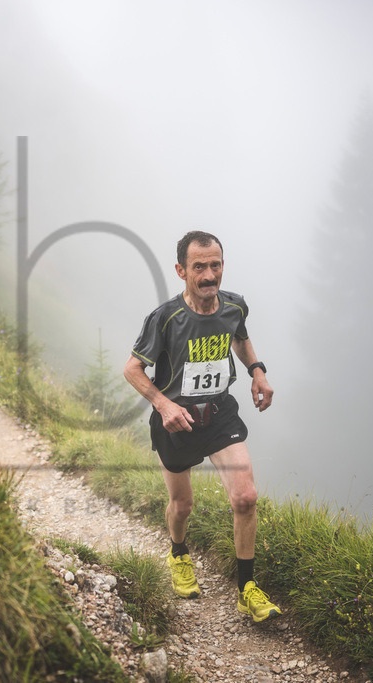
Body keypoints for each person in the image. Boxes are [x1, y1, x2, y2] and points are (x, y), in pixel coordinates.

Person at [123, 230, 281, 622]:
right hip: (176, 424)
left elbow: (240, 339)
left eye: (216, 265)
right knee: (183, 504)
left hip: (220, 416)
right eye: (200, 267)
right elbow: (132, 369)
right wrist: (163, 404)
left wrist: (256, 371)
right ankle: (179, 553)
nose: (210, 275)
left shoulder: (234, 306)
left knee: (245, 497)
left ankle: (247, 588)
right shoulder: (165, 318)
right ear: (181, 270)